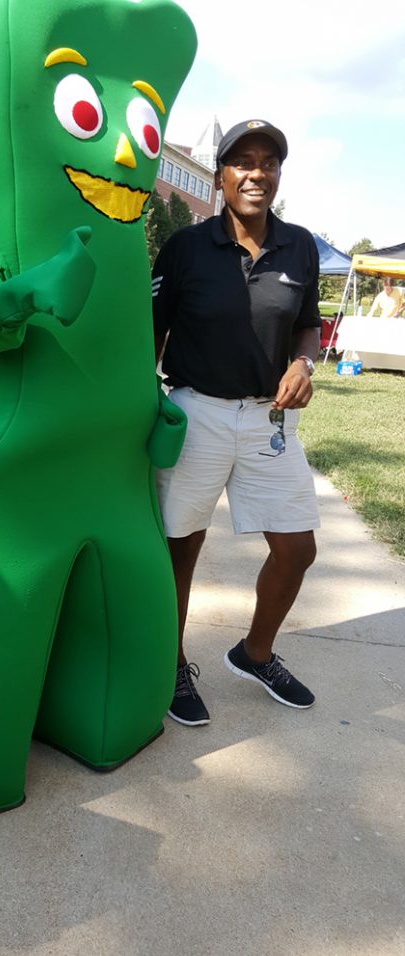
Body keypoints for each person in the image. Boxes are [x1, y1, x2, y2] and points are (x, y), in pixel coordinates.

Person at [152, 119, 321, 726]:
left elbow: (308, 321)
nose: (257, 173)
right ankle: (168, 664)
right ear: (220, 175)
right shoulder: (186, 248)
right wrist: (140, 401)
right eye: (243, 162)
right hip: (196, 411)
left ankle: (255, 652)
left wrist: (304, 361)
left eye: (269, 162)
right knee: (179, 545)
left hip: (268, 421)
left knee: (297, 548)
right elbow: (153, 328)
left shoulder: (299, 245)